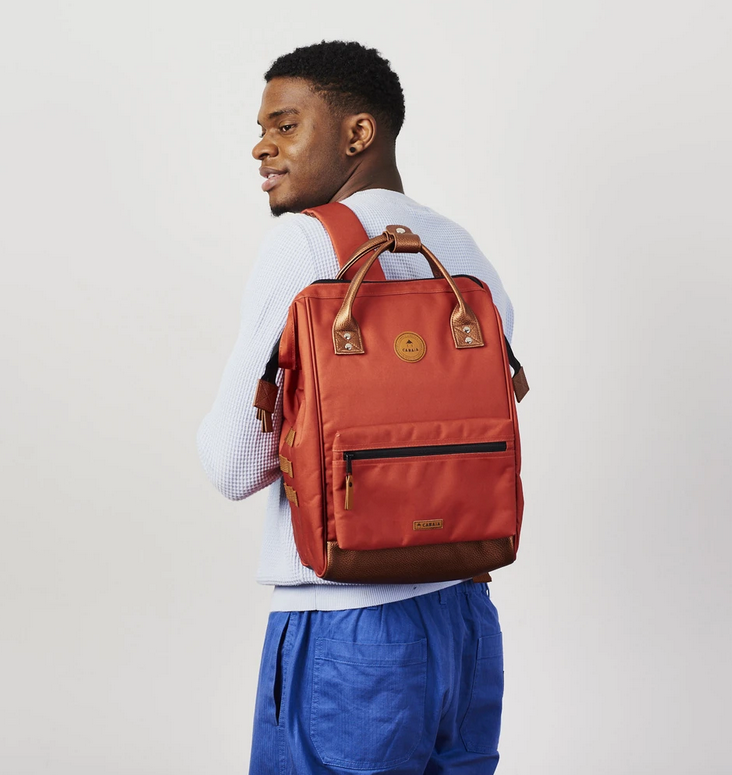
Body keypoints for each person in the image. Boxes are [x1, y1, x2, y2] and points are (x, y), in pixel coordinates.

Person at [196, 39, 515, 774]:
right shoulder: (460, 249)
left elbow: (233, 464)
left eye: (285, 125)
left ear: (358, 133)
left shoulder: (305, 246)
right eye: (262, 130)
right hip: (467, 621)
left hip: (349, 634)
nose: (261, 146)